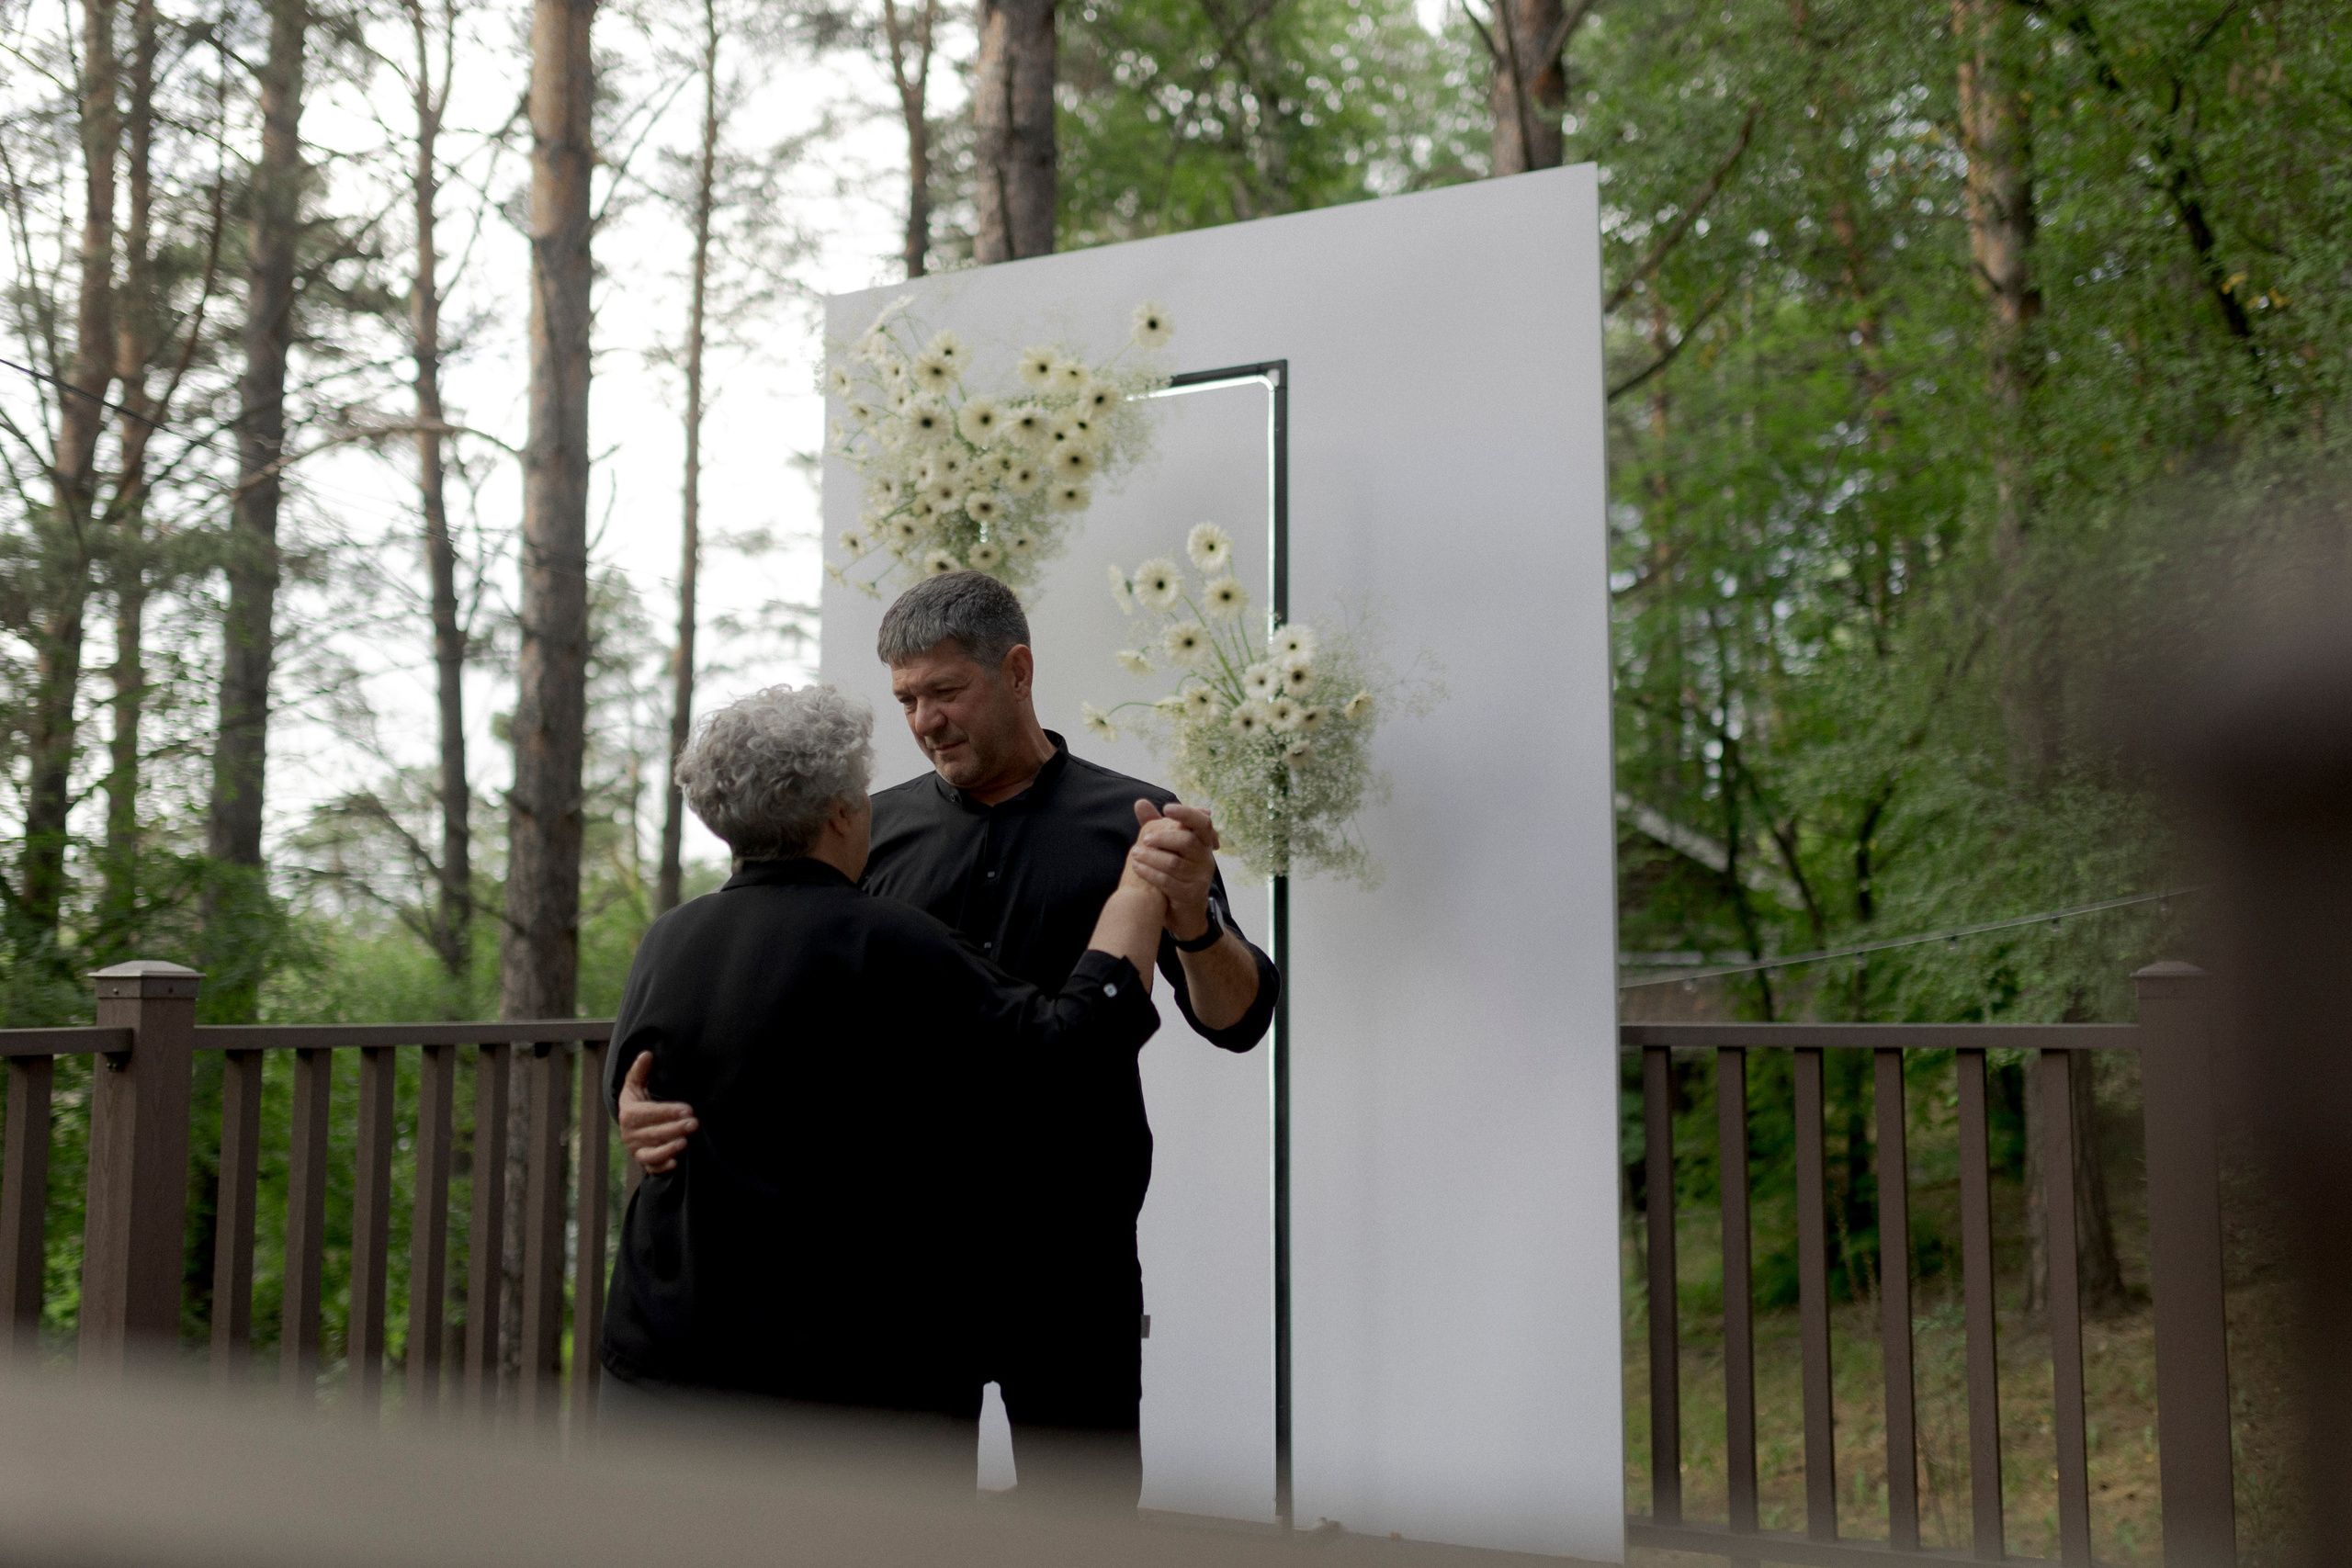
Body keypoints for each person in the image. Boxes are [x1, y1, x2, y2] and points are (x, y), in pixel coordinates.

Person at [620, 571, 1279, 1509]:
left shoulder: (1134, 824)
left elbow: (1238, 1020)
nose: (924, 720)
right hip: (891, 1275)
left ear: (1016, 672)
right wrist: (640, 1099)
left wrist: (1194, 927)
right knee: (911, 1529)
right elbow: (765, 1005)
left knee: (1082, 1524)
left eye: (943, 691)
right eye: (905, 700)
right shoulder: (860, 832)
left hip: (1069, 1257)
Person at [597, 682, 1174, 1480]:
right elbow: (1066, 1050)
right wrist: (1141, 887)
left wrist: (627, 1113)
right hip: (836, 1382)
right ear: (840, 810)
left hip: (662, 1355)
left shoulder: (671, 938)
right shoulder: (886, 940)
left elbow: (633, 1081)